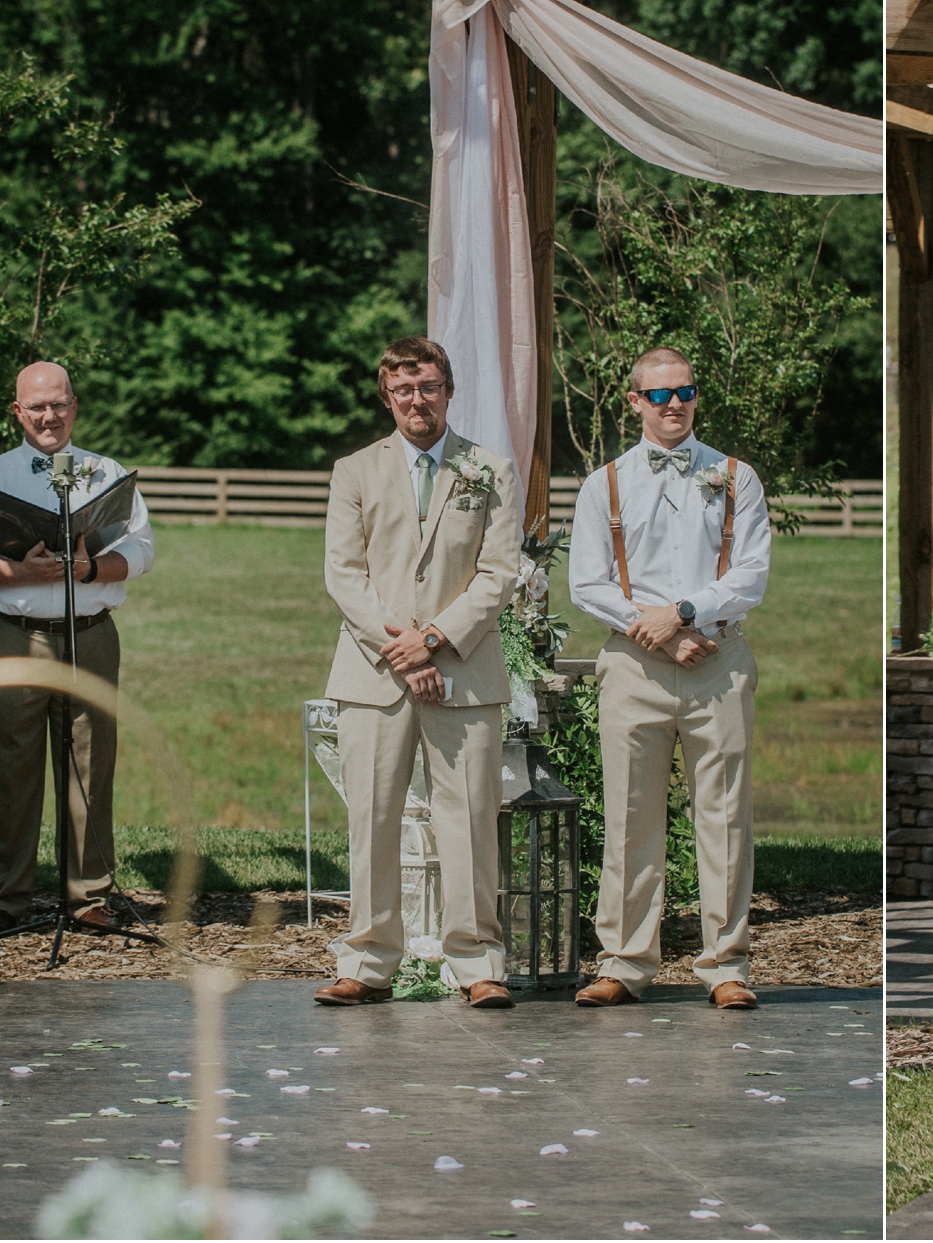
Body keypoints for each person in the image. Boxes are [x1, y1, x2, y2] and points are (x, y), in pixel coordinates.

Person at [314, 336, 521, 1011]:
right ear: (386, 394)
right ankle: (368, 960)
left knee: (468, 821)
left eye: (428, 386)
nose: (417, 400)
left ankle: (478, 962)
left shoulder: (489, 469)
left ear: (448, 391)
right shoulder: (354, 470)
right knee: (373, 819)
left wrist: (434, 639)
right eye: (403, 389)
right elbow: (343, 574)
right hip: (375, 673)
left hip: (463, 668)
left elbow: (498, 575)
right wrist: (400, 647)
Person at [567, 347, 771, 1009]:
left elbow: (751, 574)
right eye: (659, 395)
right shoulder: (606, 485)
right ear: (635, 403)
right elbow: (587, 582)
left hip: (719, 656)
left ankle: (727, 965)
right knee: (631, 815)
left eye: (683, 391)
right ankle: (623, 962)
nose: (674, 404)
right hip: (634, 663)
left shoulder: (736, 477)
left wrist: (686, 615)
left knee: (726, 816)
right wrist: (650, 627)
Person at [0, 362, 156, 936]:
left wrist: (88, 567)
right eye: (36, 406)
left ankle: (88, 895)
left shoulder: (105, 472)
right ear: (18, 411)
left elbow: (140, 551)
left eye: (59, 404)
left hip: (90, 635)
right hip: (16, 636)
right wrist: (17, 571)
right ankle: (4, 898)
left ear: (74, 406)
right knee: (10, 766)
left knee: (90, 763)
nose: (49, 415)